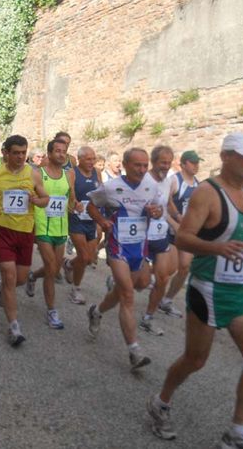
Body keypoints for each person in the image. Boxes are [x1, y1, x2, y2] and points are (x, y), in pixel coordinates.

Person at [147, 133, 243, 448]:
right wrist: (217, 248)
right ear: (225, 156)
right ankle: (161, 402)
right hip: (208, 289)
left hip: (239, 291)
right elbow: (184, 238)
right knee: (195, 359)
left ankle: (237, 431)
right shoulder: (207, 192)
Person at [86, 147, 163, 371]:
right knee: (127, 295)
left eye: (144, 165)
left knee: (136, 286)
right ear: (126, 165)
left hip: (140, 248)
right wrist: (102, 221)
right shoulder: (112, 187)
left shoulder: (151, 186)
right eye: (137, 165)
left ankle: (97, 311)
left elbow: (159, 210)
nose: (141, 169)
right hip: (117, 247)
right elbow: (91, 205)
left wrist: (155, 212)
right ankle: (134, 351)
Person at [0, 135, 49, 346]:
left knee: (20, 278)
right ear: (6, 153)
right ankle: (14, 327)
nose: (20, 157)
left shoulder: (34, 175)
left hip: (25, 232)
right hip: (2, 231)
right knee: (10, 276)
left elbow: (45, 199)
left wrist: (38, 200)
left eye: (23, 153)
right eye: (16, 153)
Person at [25, 139, 77, 329]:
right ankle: (51, 311)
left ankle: (32, 277)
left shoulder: (69, 174)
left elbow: (71, 199)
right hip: (42, 226)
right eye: (57, 151)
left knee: (53, 270)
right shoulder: (38, 174)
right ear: (49, 153)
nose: (61, 154)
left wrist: (76, 206)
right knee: (51, 266)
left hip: (61, 227)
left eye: (64, 151)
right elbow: (29, 195)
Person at [139, 146, 179, 336]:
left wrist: (176, 220)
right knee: (141, 281)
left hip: (160, 234)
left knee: (162, 278)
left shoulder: (168, 180)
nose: (166, 166)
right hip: (141, 235)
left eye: (169, 162)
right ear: (154, 162)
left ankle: (148, 318)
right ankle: (117, 280)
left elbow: (166, 204)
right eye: (163, 162)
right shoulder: (142, 179)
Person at [162, 150, 202, 317]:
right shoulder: (174, 181)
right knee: (167, 270)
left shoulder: (198, 184)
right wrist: (174, 222)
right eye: (193, 163)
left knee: (185, 267)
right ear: (183, 164)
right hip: (168, 230)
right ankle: (132, 277)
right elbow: (162, 205)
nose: (196, 166)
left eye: (198, 163)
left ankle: (167, 300)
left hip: (185, 233)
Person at [63, 146, 103, 305]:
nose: (92, 162)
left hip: (91, 219)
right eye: (88, 159)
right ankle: (76, 289)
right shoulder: (72, 173)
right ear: (79, 159)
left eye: (94, 159)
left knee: (89, 257)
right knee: (84, 256)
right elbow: (70, 192)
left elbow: (101, 193)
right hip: (76, 218)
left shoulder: (97, 173)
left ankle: (69, 264)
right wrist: (74, 202)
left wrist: (100, 218)